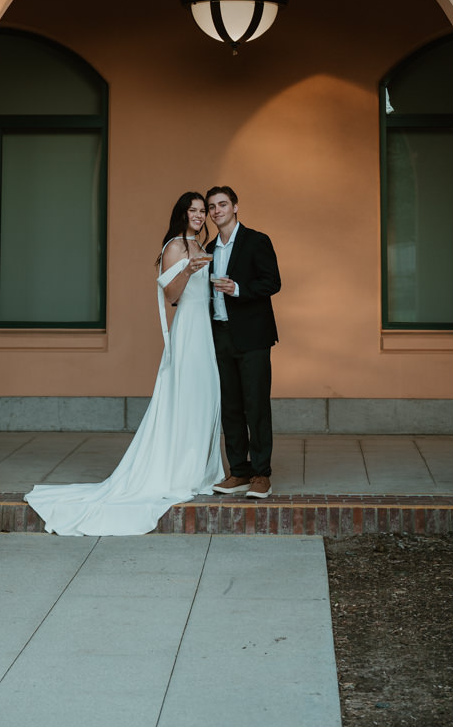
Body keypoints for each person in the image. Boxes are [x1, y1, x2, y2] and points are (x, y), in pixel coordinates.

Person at [23, 193, 223, 536]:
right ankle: (179, 471)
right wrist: (188, 271)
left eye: (203, 211)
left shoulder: (202, 245)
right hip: (188, 328)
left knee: (205, 398)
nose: (199, 216)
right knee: (186, 397)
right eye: (193, 210)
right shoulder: (176, 246)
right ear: (182, 213)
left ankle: (198, 467)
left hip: (205, 329)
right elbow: (172, 295)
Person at [205, 185, 281, 500]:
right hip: (220, 335)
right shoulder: (208, 249)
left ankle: (262, 475)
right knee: (231, 408)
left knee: (256, 406)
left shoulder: (257, 241)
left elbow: (272, 282)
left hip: (253, 338)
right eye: (212, 206)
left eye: (223, 204)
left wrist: (238, 289)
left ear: (235, 207)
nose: (217, 210)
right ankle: (239, 471)